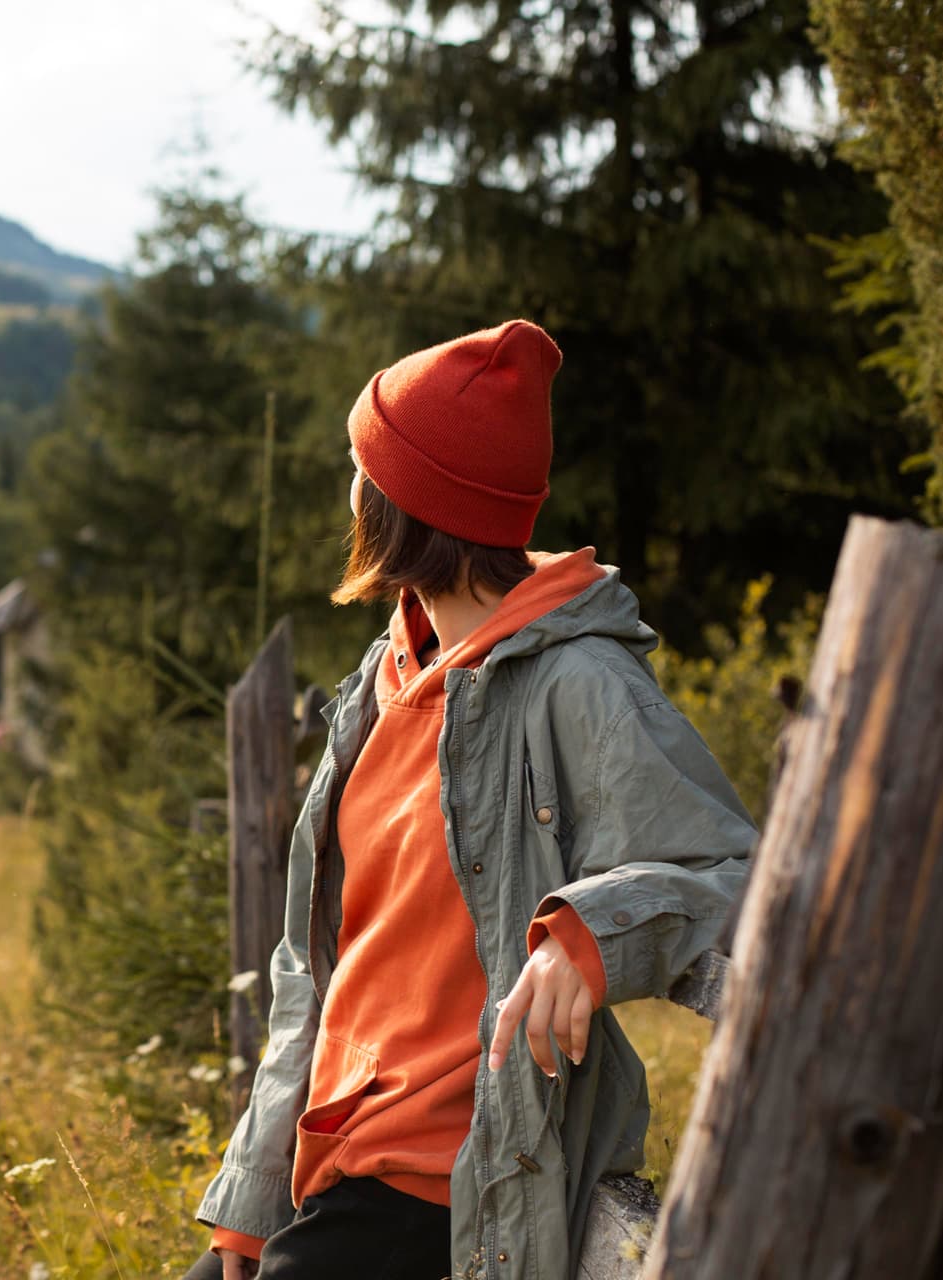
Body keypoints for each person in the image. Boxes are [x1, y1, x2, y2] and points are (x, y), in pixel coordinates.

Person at [186, 321, 755, 1279]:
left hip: (445, 1180)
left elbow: (734, 875)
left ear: (404, 501)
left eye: (364, 466)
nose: (352, 487)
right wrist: (251, 1196)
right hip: (324, 1163)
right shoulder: (385, 676)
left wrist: (591, 930)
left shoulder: (578, 680)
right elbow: (313, 963)